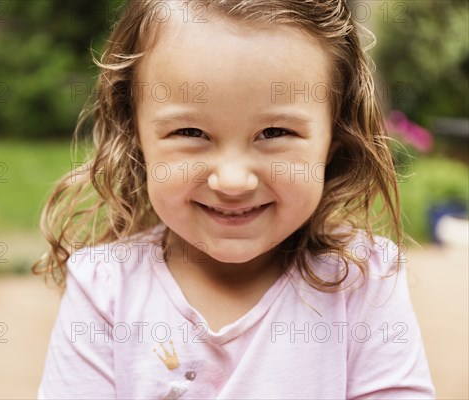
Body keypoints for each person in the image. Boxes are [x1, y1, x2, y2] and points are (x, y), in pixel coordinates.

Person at [34, 0, 435, 398]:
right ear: (135, 134)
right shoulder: (105, 287)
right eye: (190, 133)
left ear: (334, 137)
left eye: (275, 132)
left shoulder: (364, 281)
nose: (232, 181)